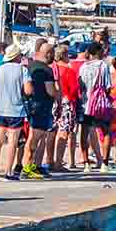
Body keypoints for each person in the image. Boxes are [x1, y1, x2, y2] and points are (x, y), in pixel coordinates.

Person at [0, 40, 30, 181]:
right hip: (16, 110)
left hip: (0, 109)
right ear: (17, 56)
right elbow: (28, 90)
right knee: (12, 142)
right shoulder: (22, 70)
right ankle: (8, 172)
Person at [22, 38, 58, 179]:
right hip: (41, 106)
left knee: (34, 137)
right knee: (34, 138)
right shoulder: (46, 70)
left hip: (30, 105)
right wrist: (57, 94)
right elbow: (50, 91)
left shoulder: (30, 66)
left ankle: (33, 165)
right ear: (48, 54)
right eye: (52, 53)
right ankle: (27, 167)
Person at [79, 41, 112, 169]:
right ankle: (105, 163)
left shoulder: (83, 67)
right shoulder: (103, 65)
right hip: (99, 104)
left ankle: (86, 163)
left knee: (84, 132)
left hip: (85, 104)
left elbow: (80, 85)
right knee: (106, 131)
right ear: (99, 52)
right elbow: (107, 86)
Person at [52, 43, 84, 171]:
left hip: (54, 101)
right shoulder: (68, 71)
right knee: (64, 132)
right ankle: (58, 162)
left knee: (54, 132)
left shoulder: (53, 69)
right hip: (67, 102)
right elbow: (74, 89)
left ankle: (53, 159)